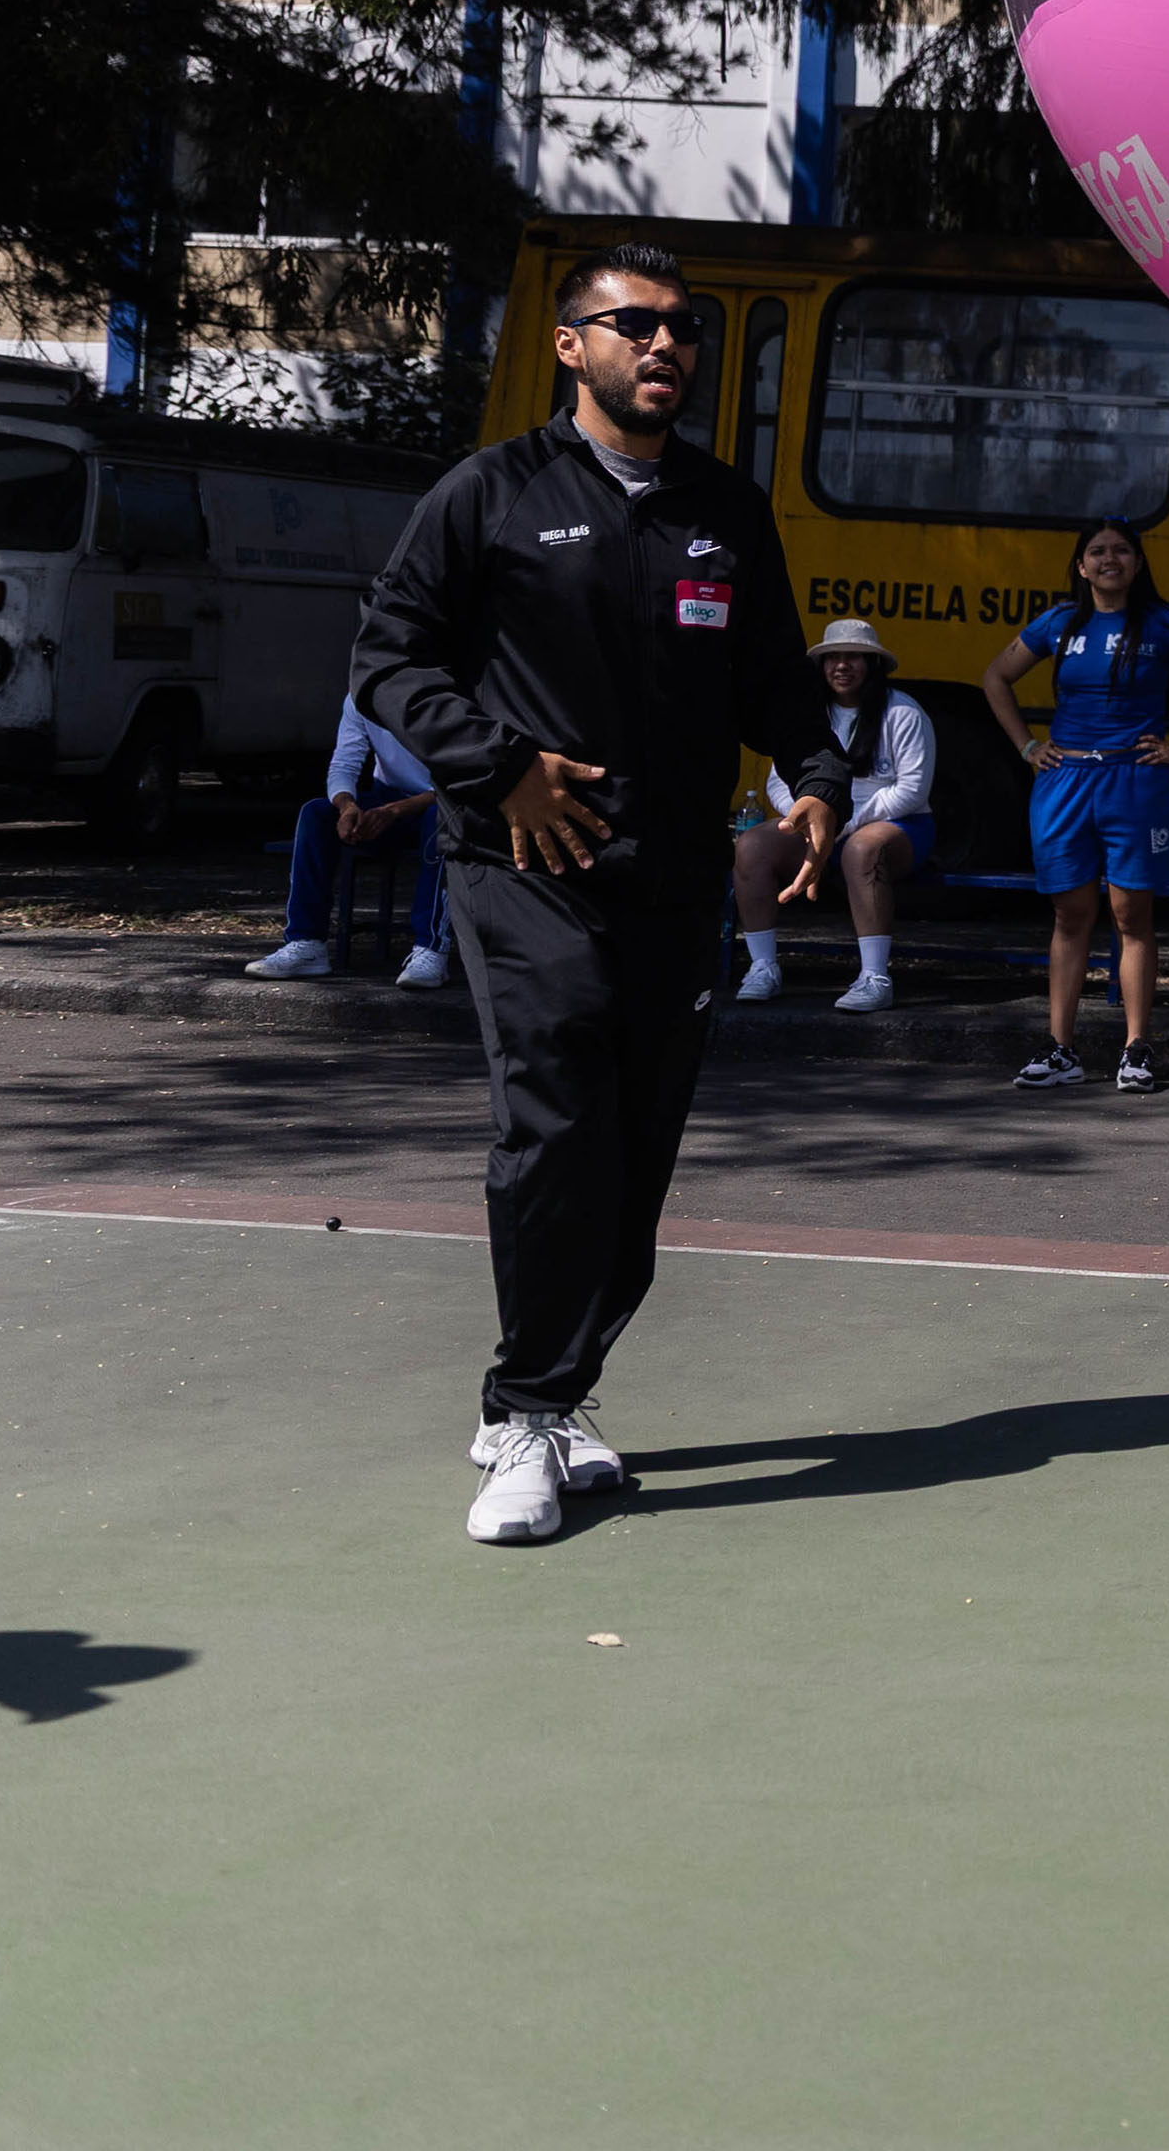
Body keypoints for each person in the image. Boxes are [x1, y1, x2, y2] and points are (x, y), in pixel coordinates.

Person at [350, 240, 848, 1547]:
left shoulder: (725, 510)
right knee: (557, 1110)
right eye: (636, 324)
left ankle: (560, 1390)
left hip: (674, 873)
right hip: (526, 863)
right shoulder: (490, 493)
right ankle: (525, 1416)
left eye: (685, 327)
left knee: (636, 1145)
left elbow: (775, 677)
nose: (666, 344)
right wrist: (498, 766)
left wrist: (815, 779)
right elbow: (388, 662)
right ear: (573, 345)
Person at [978, 519, 1169, 1094]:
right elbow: (996, 677)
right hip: (1065, 780)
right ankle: (1061, 1050)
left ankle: (1136, 1048)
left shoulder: (1161, 622)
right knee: (1070, 916)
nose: (1109, 559)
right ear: (1081, 566)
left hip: (1136, 782)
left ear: (1138, 563)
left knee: (1131, 916)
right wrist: (1027, 746)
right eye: (1096, 552)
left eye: (1121, 550)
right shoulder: (1059, 622)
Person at [736, 616, 939, 1012]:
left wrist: (842, 823)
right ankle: (762, 967)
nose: (842, 666)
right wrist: (802, 819)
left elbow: (912, 789)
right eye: (832, 657)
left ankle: (875, 977)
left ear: (873, 664)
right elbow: (779, 781)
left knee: (862, 850)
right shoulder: (806, 714)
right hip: (822, 823)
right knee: (752, 845)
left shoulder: (903, 712)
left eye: (854, 657)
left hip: (896, 822)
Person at [241, 696, 454, 988]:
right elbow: (343, 764)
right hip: (388, 797)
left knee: (441, 819)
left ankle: (431, 948)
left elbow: (462, 782)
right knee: (316, 814)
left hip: (442, 803)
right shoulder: (362, 694)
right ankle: (307, 943)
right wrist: (347, 807)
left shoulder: (446, 692)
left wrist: (394, 811)